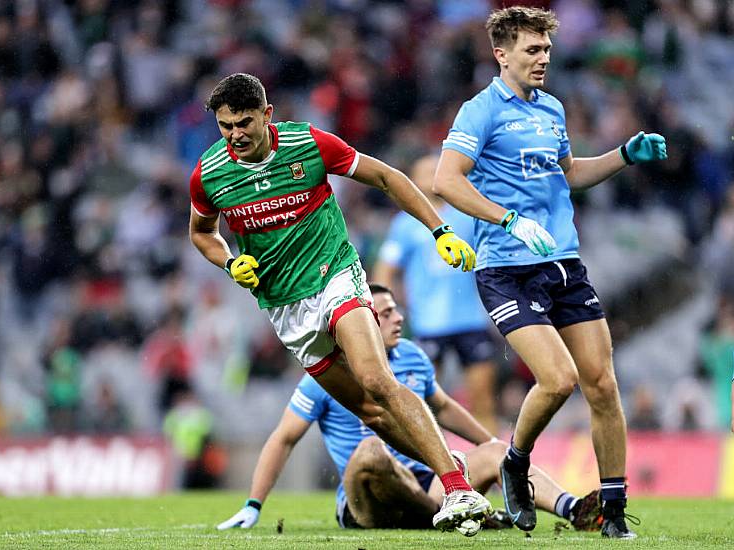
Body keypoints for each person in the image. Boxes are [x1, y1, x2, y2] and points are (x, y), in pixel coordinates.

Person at [189, 73, 489, 532]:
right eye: (226, 126)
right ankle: (453, 470)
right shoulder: (210, 173)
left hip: (336, 277)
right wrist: (229, 264)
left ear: (267, 115)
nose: (235, 134)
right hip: (285, 308)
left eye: (244, 122)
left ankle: (455, 488)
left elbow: (387, 178)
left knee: (376, 379)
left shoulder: (308, 144)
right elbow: (201, 233)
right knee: (369, 411)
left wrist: (440, 230)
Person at [431, 6, 667, 539]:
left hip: (563, 263)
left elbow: (569, 174)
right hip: (507, 269)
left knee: (603, 384)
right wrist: (508, 220)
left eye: (547, 50)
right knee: (557, 380)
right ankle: (516, 461)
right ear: (502, 54)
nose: (543, 59)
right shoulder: (480, 111)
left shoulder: (552, 109)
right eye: (533, 50)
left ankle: (611, 513)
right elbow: (447, 180)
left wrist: (624, 154)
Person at [217, 284, 601, 534]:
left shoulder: (413, 357)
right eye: (385, 313)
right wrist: (254, 505)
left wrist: (489, 449)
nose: (398, 317)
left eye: (397, 309)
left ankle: (573, 509)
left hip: (428, 482)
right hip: (368, 495)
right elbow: (283, 438)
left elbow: (446, 408)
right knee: (371, 452)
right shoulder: (330, 373)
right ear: (362, 321)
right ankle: (460, 509)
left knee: (499, 452)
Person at [374, 154, 499, 433]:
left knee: (484, 401)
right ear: (413, 181)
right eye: (426, 171)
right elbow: (385, 270)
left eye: (437, 170)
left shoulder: (467, 214)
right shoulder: (405, 224)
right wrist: (383, 312)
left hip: (472, 320)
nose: (433, 175)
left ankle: (493, 465)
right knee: (423, 402)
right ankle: (430, 469)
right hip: (429, 323)